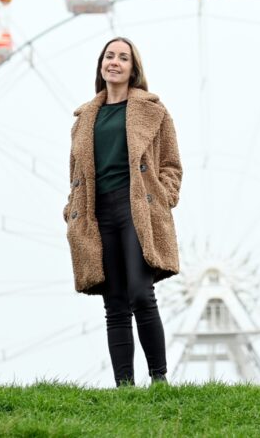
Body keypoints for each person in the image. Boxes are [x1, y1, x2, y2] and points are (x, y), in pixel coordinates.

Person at [63, 37, 182, 387]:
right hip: (98, 214)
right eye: (109, 56)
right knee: (114, 304)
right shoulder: (84, 118)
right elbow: (76, 174)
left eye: (123, 57)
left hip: (137, 210)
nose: (114, 62)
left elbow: (172, 164)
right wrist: (72, 210)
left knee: (141, 294)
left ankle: (159, 379)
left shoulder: (153, 110)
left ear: (134, 68)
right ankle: (124, 387)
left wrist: (163, 197)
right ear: (101, 65)